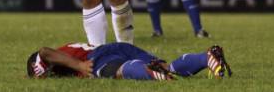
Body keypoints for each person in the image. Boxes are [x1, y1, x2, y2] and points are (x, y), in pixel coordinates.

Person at [27, 41, 232, 80]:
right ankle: (207, 58)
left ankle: (148, 71)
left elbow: (44, 51)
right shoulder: (65, 53)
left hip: (97, 57)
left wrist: (80, 65)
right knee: (167, 68)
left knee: (117, 71)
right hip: (117, 47)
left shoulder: (50, 57)